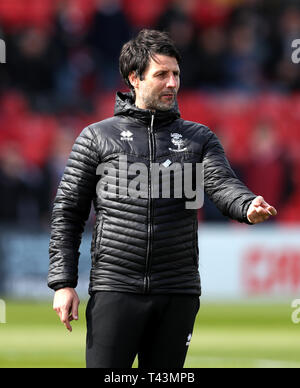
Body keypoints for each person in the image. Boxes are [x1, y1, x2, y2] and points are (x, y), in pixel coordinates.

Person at [48, 29, 277, 368]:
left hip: (178, 292)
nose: (173, 83)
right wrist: (63, 282)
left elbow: (222, 184)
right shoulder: (97, 137)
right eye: (162, 75)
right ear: (134, 79)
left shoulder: (199, 138)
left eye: (176, 74)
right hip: (115, 288)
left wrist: (246, 205)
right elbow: (68, 212)